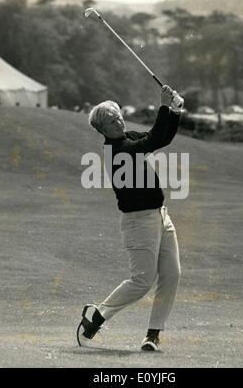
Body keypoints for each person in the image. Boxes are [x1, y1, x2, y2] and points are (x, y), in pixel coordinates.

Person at [78, 85, 184, 351]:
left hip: (160, 216)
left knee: (171, 274)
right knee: (141, 282)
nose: (119, 121)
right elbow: (152, 141)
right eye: (112, 121)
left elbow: (160, 138)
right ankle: (96, 318)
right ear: (103, 129)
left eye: (119, 116)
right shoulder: (117, 151)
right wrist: (163, 106)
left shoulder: (126, 139)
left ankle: (152, 335)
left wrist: (175, 110)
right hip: (139, 222)